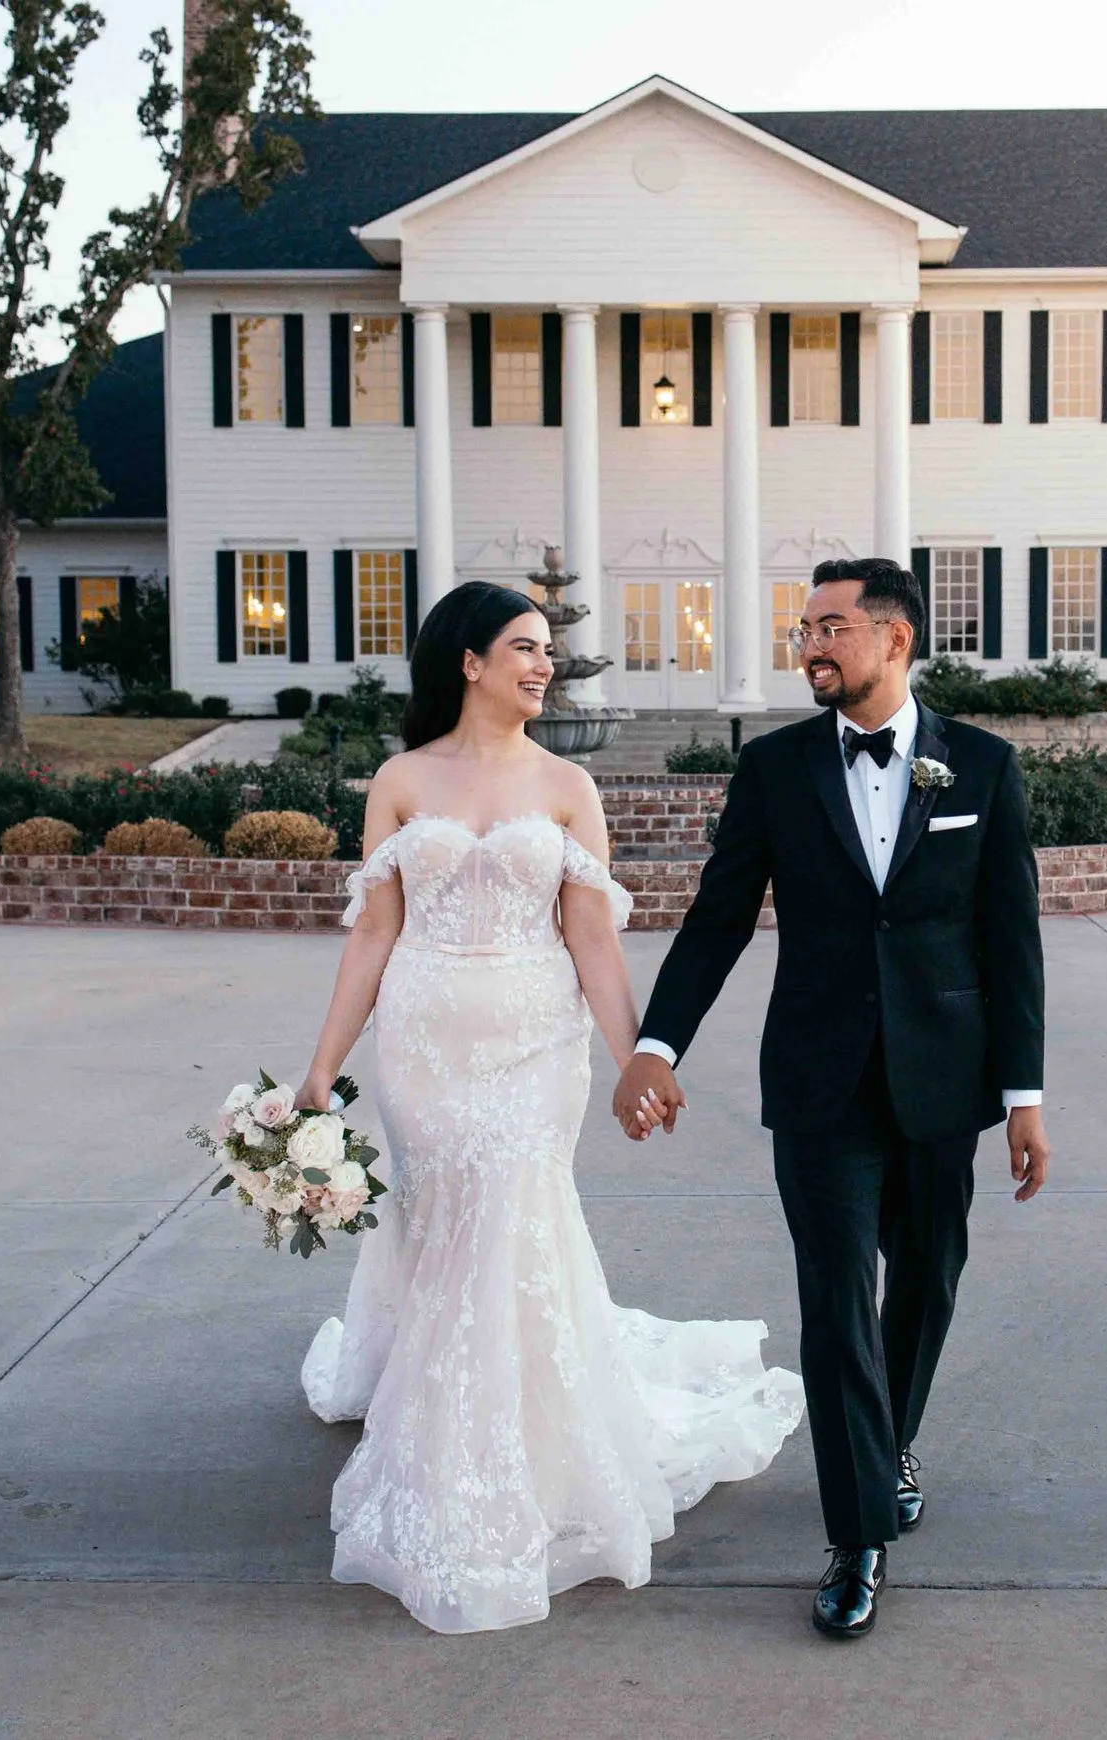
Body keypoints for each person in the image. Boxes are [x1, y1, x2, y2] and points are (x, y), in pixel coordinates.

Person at [293, 579, 804, 1635]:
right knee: (448, 1232)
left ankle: (511, 1456)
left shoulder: (570, 784)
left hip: (536, 1046)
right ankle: (447, 1429)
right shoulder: (398, 778)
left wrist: (635, 1061)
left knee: (507, 1222)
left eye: (546, 652)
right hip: (427, 1045)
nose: (542, 666)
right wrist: (318, 1070)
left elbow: (590, 941)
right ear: (467, 661)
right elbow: (373, 937)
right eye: (521, 649)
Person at [611, 556, 1049, 1639]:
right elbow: (717, 919)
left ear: (894, 640)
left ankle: (888, 1441)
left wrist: (1025, 1096)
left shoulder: (982, 768)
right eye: (804, 626)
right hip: (815, 1084)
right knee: (835, 1299)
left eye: (831, 626)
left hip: (942, 1081)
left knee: (926, 1284)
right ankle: (857, 1535)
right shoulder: (774, 769)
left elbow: (1011, 941)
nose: (809, 643)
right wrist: (656, 1044)